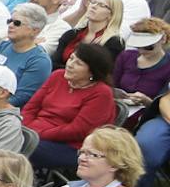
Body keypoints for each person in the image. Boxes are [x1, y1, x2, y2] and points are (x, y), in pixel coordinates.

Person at [25, 44, 120, 175]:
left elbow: (77, 130)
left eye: (78, 63)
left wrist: (35, 134)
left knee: (18, 144)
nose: (70, 64)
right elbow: (30, 107)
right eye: (71, 58)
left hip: (70, 146)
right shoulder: (57, 76)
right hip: (34, 132)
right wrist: (25, 128)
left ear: (92, 71)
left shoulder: (101, 93)